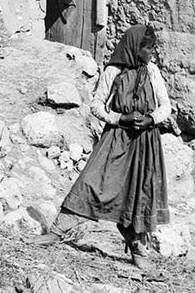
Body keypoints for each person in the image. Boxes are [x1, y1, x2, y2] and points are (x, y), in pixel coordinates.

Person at [43, 24, 171, 269]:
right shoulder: (114, 71)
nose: (151, 53)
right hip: (116, 139)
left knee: (138, 195)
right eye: (148, 48)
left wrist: (151, 118)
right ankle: (56, 232)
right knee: (93, 182)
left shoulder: (152, 71)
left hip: (145, 143)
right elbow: (96, 105)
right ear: (136, 48)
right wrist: (120, 118)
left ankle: (139, 252)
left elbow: (165, 106)